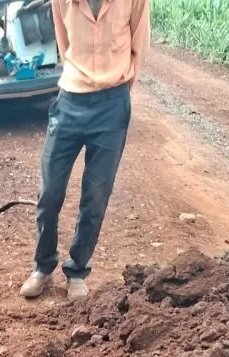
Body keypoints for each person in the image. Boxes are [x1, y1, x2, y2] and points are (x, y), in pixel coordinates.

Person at [22, 0, 150, 302]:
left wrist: (117, 90)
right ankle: (42, 266)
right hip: (70, 101)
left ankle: (77, 269)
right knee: (49, 191)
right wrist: (81, 80)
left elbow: (139, 45)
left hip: (113, 103)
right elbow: (63, 42)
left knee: (96, 195)